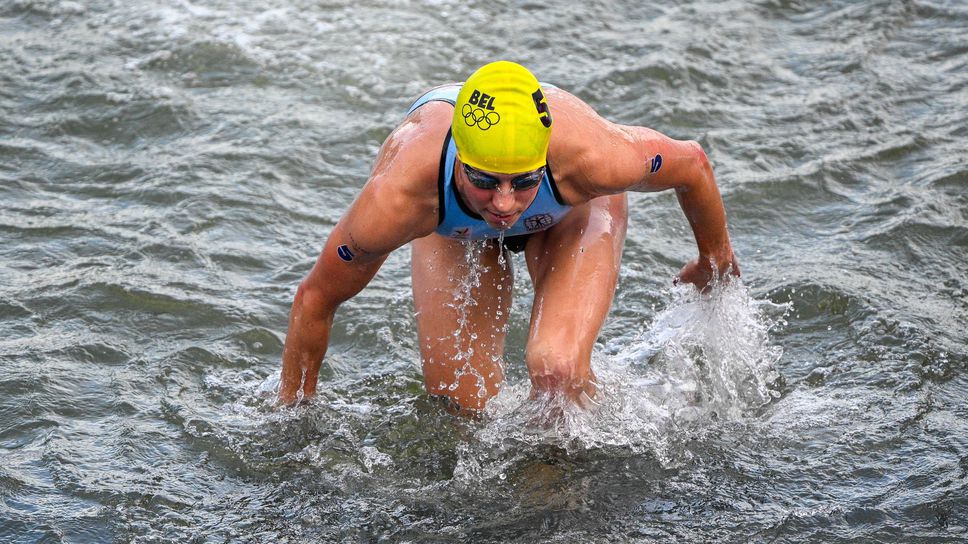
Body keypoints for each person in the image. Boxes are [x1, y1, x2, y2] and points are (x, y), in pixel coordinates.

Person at [278, 61, 739, 411]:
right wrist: (294, 414)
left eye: (521, 182)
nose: (503, 204)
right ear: (459, 162)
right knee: (459, 409)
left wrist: (713, 261)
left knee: (557, 371)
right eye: (485, 181)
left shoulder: (593, 157)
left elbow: (692, 164)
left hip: (569, 210)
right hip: (452, 227)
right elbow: (316, 297)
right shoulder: (400, 197)